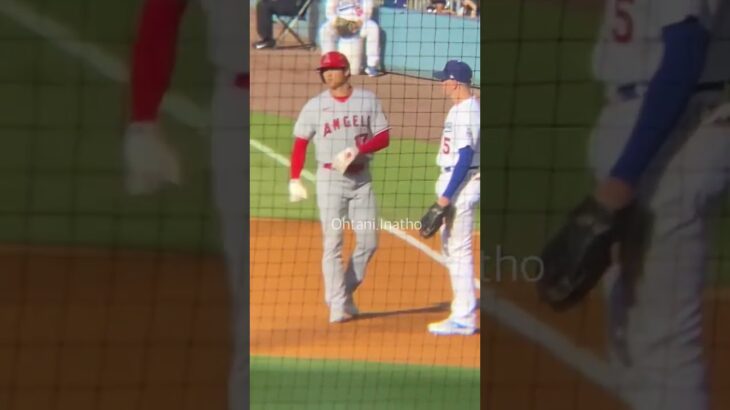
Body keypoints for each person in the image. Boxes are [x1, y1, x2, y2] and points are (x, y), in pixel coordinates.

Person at [566, 0, 730, 407]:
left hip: (673, 131)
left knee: (663, 348)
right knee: (633, 343)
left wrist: (620, 183)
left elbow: (685, 50)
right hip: (647, 126)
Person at [122, 0, 247, 408]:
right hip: (237, 108)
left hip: (266, 105)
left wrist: (144, 121)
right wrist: (143, 119)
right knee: (249, 297)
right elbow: (160, 16)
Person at [288, 51, 390, 323]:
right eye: (324, 70)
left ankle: (343, 294)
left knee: (368, 242)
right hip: (330, 179)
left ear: (346, 71)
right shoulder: (315, 106)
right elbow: (300, 143)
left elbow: (383, 137)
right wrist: (294, 178)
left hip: (362, 180)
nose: (327, 74)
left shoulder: (367, 100)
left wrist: (359, 150)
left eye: (332, 69)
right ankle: (337, 304)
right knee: (332, 243)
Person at [427, 60, 480, 336]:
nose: (441, 84)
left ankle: (464, 317)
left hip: (460, 184)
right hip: (457, 180)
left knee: (458, 250)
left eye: (443, 79)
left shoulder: (466, 111)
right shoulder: (463, 109)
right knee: (452, 248)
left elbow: (466, 155)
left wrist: (447, 197)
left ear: (454, 82)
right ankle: (464, 309)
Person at [319, 0, 382, 77]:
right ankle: (328, 62)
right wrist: (338, 22)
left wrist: (359, 22)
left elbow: (367, 11)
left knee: (373, 27)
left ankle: (372, 65)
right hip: (340, 23)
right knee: (325, 30)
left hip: (358, 24)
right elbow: (329, 11)